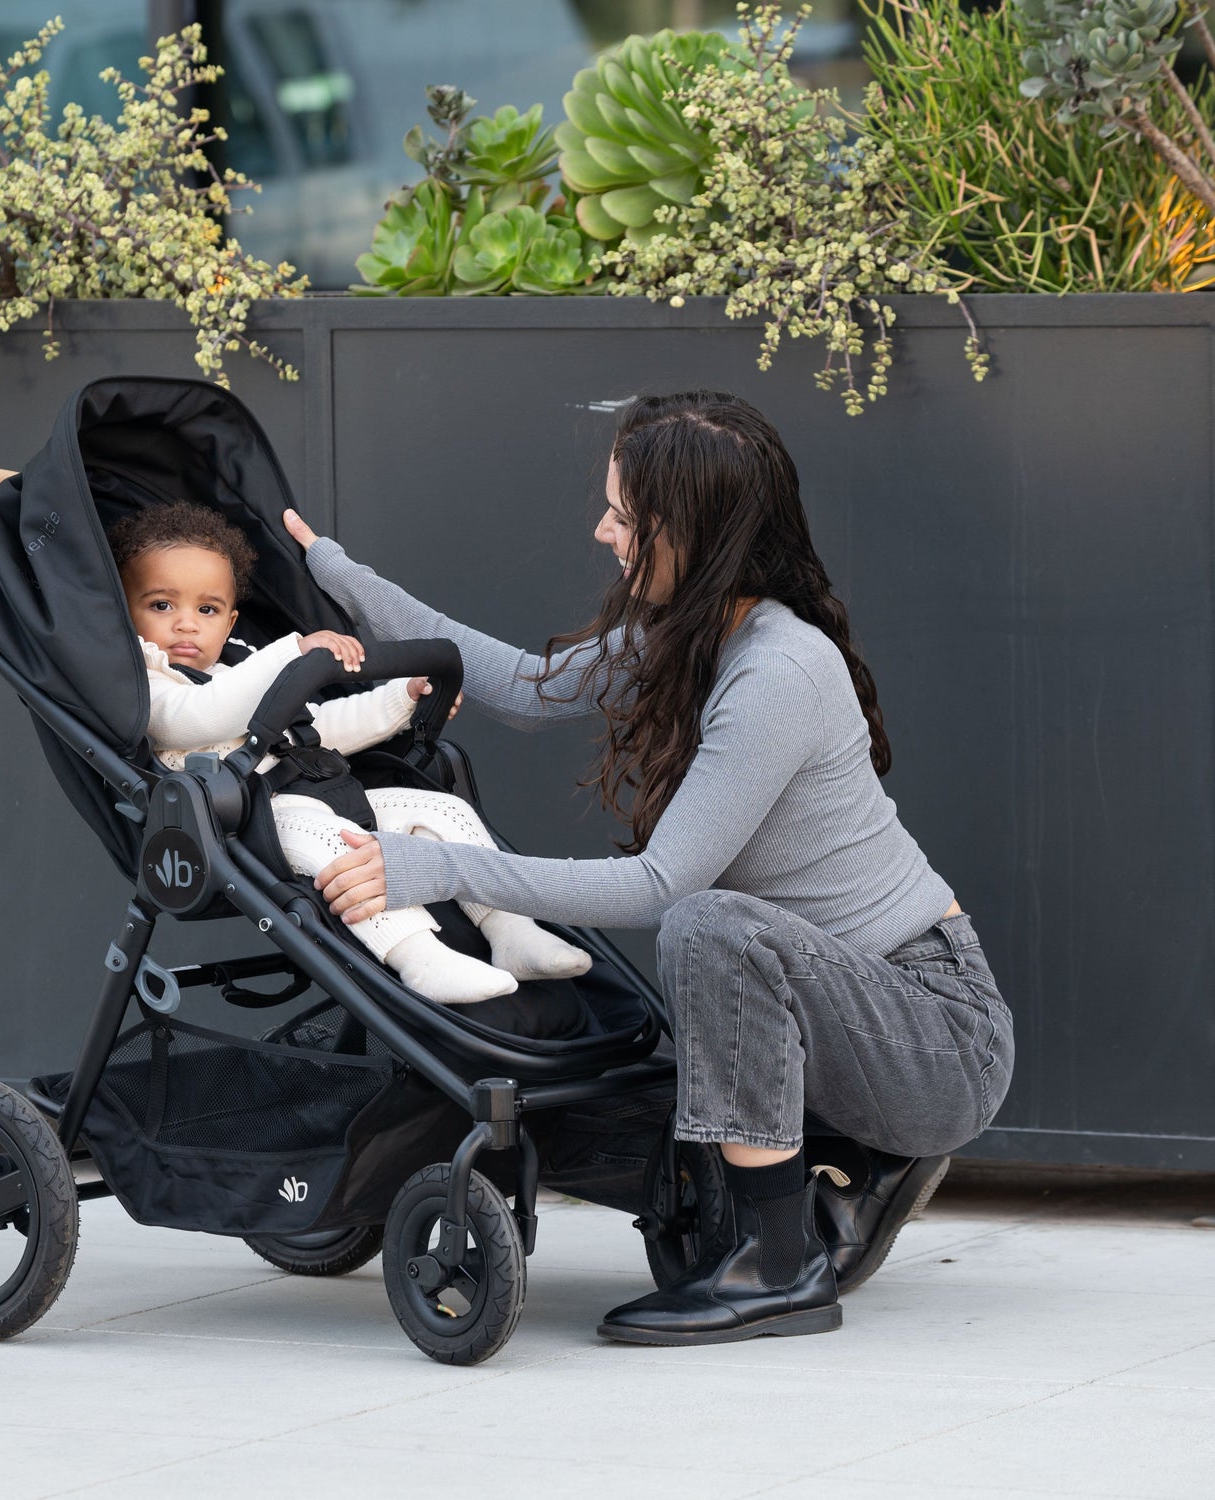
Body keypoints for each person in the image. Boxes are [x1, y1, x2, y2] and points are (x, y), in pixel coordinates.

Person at [283, 390, 1014, 1346]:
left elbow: (658, 886)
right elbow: (522, 684)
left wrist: (439, 869)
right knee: (670, 1047)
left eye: (624, 517)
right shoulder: (695, 634)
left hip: (937, 1036)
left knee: (707, 926)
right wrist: (334, 573)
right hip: (862, 1009)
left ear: (692, 532)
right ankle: (854, 1164)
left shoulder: (775, 670)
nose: (603, 532)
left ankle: (776, 1266)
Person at [109, 500, 591, 1006]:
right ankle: (420, 958)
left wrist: (401, 699)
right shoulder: (143, 684)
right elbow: (199, 716)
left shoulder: (237, 668)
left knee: (444, 810)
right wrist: (292, 654)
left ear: (230, 623)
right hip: (249, 823)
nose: (186, 624)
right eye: (162, 605)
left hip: (317, 792)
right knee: (344, 848)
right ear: (124, 611)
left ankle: (511, 929)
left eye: (206, 610)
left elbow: (318, 730)